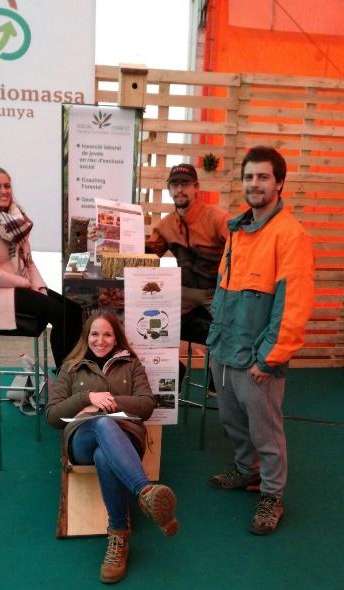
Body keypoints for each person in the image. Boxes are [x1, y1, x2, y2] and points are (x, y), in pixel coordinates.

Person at [206, 146, 314, 535]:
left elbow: (293, 306)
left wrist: (269, 358)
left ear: (279, 183)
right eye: (249, 177)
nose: (255, 184)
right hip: (225, 349)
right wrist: (215, 344)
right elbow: (224, 286)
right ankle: (246, 470)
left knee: (265, 432)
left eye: (263, 177)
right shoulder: (237, 230)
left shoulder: (291, 235)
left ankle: (271, 495)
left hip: (257, 358)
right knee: (231, 420)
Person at [47, 311, 178, 584]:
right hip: (81, 440)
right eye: (94, 334)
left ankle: (118, 537)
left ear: (116, 338)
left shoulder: (131, 364)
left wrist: (110, 402)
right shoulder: (70, 367)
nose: (100, 340)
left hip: (126, 440)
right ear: (86, 337)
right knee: (102, 424)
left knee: (105, 456)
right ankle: (146, 492)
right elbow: (52, 416)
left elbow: (147, 404)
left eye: (107, 334)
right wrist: (86, 398)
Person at [0, 163, 82, 370]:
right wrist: (26, 284)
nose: (4, 191)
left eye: (7, 186)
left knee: (74, 310)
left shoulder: (15, 220)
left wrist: (40, 287)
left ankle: (71, 370)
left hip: (17, 286)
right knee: (61, 314)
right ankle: (66, 374)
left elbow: (29, 262)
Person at [145, 163, 229, 381]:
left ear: (196, 187)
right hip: (182, 294)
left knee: (230, 331)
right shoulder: (166, 225)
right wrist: (112, 240)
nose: (180, 189)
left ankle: (219, 381)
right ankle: (171, 372)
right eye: (175, 185)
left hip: (215, 293)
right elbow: (146, 257)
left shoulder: (217, 218)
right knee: (149, 325)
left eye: (185, 184)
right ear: (169, 189)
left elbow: (239, 250)